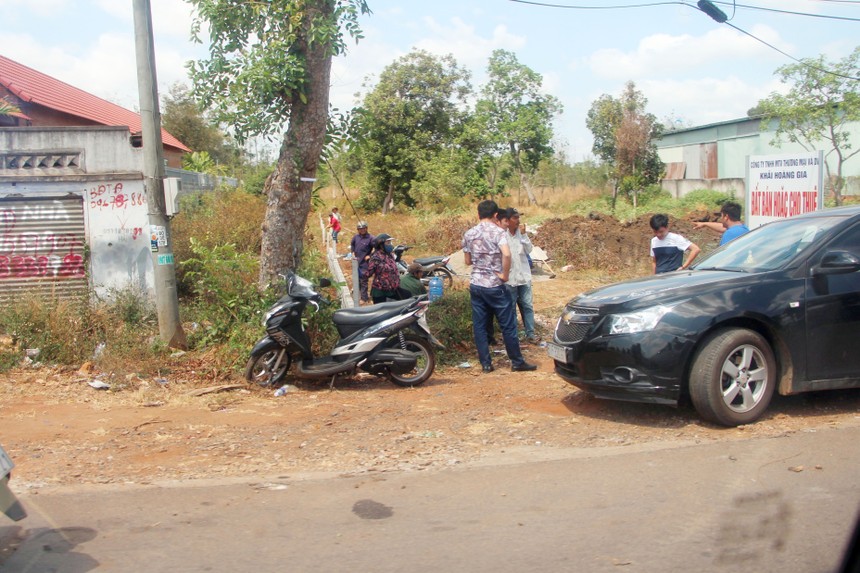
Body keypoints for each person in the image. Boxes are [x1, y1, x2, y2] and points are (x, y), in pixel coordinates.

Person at [462, 199, 537, 374]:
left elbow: (467, 261)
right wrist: (504, 274)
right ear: (496, 215)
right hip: (495, 285)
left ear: (478, 214)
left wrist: (481, 262)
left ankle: (486, 364)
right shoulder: (498, 232)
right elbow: (507, 254)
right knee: (508, 324)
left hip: (476, 284)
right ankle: (517, 362)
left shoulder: (469, 233)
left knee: (480, 326)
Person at [504, 208, 538, 344]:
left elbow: (529, 250)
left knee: (527, 306)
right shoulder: (503, 235)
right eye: (515, 218)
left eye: (519, 217)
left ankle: (530, 333)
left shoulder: (521, 234)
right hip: (511, 278)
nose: (518, 221)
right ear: (507, 220)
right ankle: (514, 335)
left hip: (524, 277)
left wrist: (524, 236)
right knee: (511, 308)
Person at [367, 233, 401, 304]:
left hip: (392, 289)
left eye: (390, 242)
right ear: (381, 244)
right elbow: (368, 273)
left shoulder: (390, 255)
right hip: (380, 291)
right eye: (388, 242)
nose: (390, 244)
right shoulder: (376, 257)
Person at [349, 221, 375, 303]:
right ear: (358, 230)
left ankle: (364, 298)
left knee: (363, 280)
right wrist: (352, 251)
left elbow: (377, 248)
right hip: (356, 261)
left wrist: (370, 255)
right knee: (357, 278)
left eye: (363, 228)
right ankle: (358, 293)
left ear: (366, 228)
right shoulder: (356, 237)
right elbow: (352, 244)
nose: (362, 230)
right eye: (360, 229)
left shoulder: (371, 238)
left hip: (364, 263)